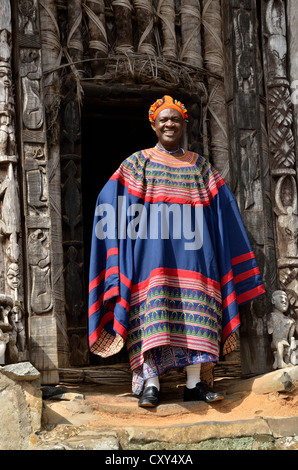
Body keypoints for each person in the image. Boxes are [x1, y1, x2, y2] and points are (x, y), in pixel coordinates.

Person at [88, 95, 266, 407]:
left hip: (197, 258)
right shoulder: (136, 163)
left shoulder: (201, 167)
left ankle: (194, 384)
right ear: (153, 125)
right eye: (163, 120)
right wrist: (124, 232)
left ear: (184, 124)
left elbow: (224, 209)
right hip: (149, 259)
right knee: (150, 317)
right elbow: (108, 199)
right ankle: (151, 385)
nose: (169, 124)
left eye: (176, 120)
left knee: (198, 318)